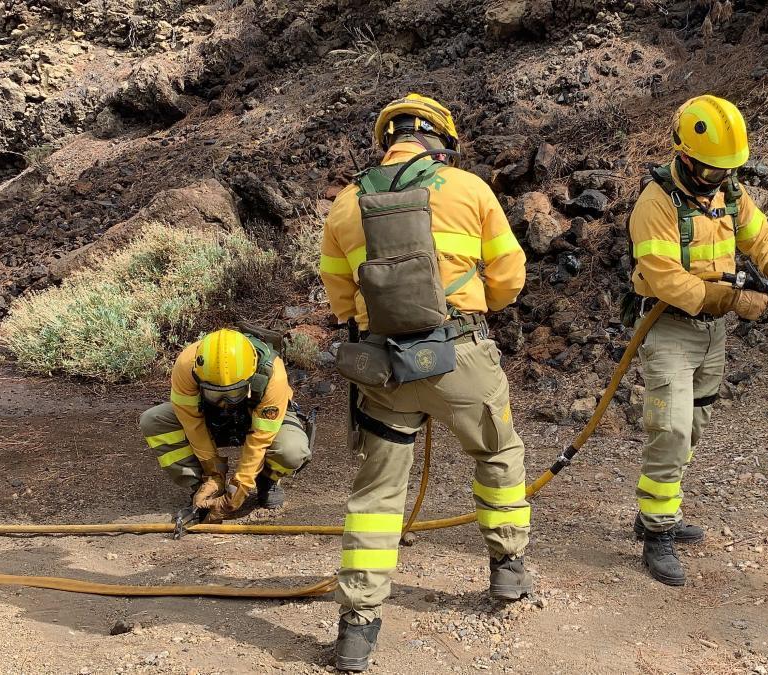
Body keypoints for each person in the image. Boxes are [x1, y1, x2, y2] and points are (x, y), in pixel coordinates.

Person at [319, 93, 531, 672]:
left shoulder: (346, 203)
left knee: (376, 495)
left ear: (386, 141)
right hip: (460, 357)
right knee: (498, 455)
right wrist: (470, 311)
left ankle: (357, 628)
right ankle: (508, 571)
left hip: (384, 369)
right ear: (441, 141)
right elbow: (510, 278)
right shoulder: (469, 189)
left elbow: (340, 300)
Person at [626, 94, 768, 586]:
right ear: (684, 157)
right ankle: (657, 533)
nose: (718, 178)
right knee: (671, 429)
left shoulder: (728, 191)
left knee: (693, 426)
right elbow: (667, 282)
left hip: (711, 334)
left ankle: (656, 511)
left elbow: (759, 234)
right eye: (710, 170)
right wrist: (733, 300)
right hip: (669, 329)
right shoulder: (655, 204)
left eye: (727, 170)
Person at [139, 328, 311, 520]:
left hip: (258, 419)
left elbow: (260, 439)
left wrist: (240, 488)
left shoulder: (273, 373)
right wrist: (213, 476)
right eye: (215, 394)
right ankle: (201, 486)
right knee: (154, 420)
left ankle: (267, 480)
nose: (224, 402)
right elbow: (193, 426)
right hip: (210, 419)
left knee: (292, 450)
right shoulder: (186, 365)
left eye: (234, 393)